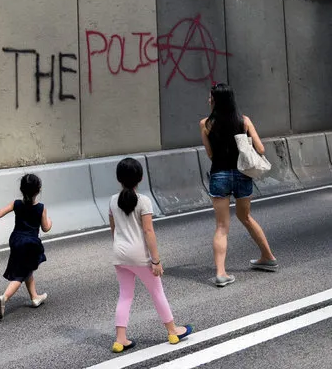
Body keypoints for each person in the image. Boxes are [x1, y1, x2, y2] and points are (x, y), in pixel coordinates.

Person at [109, 158, 193, 353]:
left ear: (118, 178)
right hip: (140, 256)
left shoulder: (113, 201)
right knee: (157, 292)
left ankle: (120, 339)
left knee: (125, 296)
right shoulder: (144, 201)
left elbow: (114, 230)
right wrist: (156, 260)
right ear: (140, 178)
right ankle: (173, 331)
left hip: (119, 255)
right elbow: (148, 232)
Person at [199, 82, 278, 287]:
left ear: (216, 100)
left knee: (222, 226)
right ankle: (267, 257)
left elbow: (210, 154)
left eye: (211, 97)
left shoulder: (205, 124)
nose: (209, 100)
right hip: (243, 174)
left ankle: (221, 273)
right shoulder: (244, 121)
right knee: (246, 217)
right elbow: (260, 148)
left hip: (220, 175)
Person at [0, 173, 52, 320]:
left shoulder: (16, 204)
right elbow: (46, 228)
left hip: (15, 240)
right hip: (30, 243)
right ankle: (4, 297)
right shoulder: (41, 208)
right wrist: (50, 221)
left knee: (26, 268)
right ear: (39, 190)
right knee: (20, 274)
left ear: (21, 189)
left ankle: (35, 297)